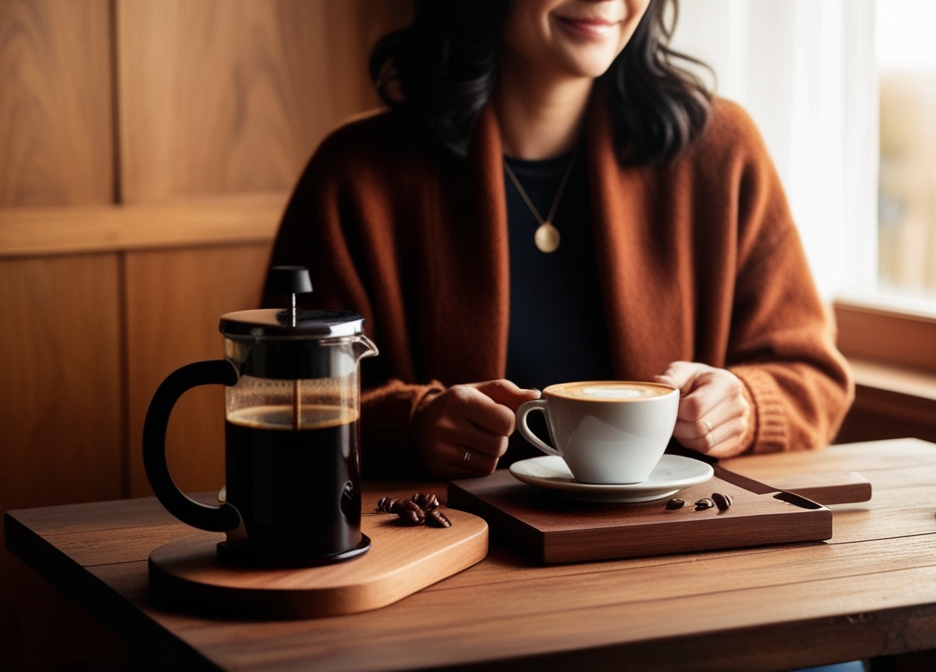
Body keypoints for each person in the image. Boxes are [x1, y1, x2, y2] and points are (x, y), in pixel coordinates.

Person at [268, 0, 854, 485]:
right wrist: (413, 424)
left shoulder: (722, 153)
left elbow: (813, 376)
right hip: (447, 576)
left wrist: (746, 404)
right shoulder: (355, 177)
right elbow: (281, 400)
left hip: (674, 560)